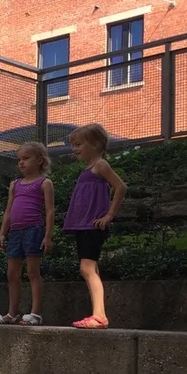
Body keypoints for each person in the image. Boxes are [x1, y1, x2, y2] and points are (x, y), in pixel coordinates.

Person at [63, 124, 127, 329]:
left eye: (79, 144)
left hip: (92, 225)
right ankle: (97, 312)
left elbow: (121, 187)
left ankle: (99, 316)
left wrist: (109, 215)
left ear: (96, 144)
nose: (75, 149)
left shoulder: (100, 166)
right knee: (90, 269)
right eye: (73, 145)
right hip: (83, 225)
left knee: (87, 267)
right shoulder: (88, 170)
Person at [0, 142, 55, 326]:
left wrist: (48, 235)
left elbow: (50, 211)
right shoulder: (15, 184)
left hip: (34, 230)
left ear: (40, 160)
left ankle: (35, 313)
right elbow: (8, 210)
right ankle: (12, 313)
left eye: (26, 158)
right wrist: (3, 233)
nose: (21, 163)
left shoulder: (44, 183)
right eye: (19, 159)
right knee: (12, 273)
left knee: (32, 272)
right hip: (15, 232)